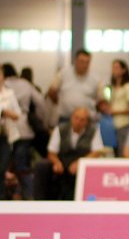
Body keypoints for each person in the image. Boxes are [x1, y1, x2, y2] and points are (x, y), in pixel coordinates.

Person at [33, 106, 105, 200]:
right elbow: (51, 152)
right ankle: (39, 201)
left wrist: (80, 162)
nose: (78, 122)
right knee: (42, 165)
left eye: (82, 120)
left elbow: (97, 152)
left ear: (87, 122)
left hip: (82, 162)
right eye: (76, 118)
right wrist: (56, 162)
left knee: (90, 168)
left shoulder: (93, 131)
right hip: (63, 161)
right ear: (72, 117)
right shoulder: (60, 129)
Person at [2, 63, 46, 199]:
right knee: (22, 166)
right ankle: (29, 196)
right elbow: (40, 102)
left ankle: (7, 196)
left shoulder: (6, 86)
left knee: (5, 167)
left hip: (6, 130)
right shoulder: (26, 84)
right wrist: (40, 120)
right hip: (23, 128)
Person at [47, 49, 103, 122]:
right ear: (75, 60)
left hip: (86, 118)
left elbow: (101, 100)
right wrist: (60, 103)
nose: (84, 65)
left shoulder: (96, 78)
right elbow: (52, 91)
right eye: (82, 61)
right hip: (65, 117)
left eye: (87, 62)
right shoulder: (64, 73)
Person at [108, 59, 129, 154]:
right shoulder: (113, 88)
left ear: (123, 70)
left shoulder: (128, 87)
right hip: (112, 125)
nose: (114, 70)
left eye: (116, 67)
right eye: (113, 67)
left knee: (122, 151)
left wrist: (116, 111)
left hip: (123, 124)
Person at [0, 66, 22, 199]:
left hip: (5, 134)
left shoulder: (9, 93)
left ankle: (1, 199)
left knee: (2, 168)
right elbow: (5, 112)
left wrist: (7, 113)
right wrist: (3, 112)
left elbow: (17, 114)